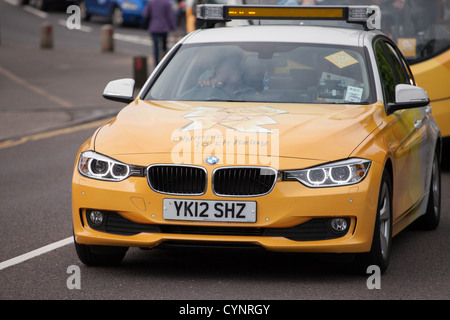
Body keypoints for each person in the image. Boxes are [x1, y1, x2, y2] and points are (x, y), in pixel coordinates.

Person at [143, 0, 177, 66]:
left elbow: (145, 14)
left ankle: (156, 64)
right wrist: (174, 28)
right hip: (164, 27)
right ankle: (164, 64)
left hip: (154, 27)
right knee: (164, 47)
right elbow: (170, 16)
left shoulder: (151, 2)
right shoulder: (166, 2)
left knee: (156, 47)